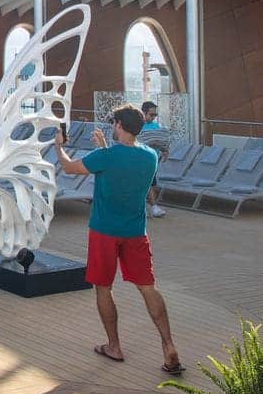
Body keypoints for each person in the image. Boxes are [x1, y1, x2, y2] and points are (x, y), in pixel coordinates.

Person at [56, 104, 184, 375]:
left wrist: (58, 146)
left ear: (118, 125)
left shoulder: (107, 157)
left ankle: (114, 346)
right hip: (136, 232)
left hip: (104, 231)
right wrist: (105, 149)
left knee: (103, 288)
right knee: (148, 288)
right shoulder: (150, 156)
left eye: (113, 123)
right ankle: (169, 344)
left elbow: (69, 168)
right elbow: (122, 161)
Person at [138, 101, 168, 218]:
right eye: (151, 114)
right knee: (148, 183)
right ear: (143, 113)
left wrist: (165, 150)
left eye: (155, 115)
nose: (153, 117)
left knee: (150, 183)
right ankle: (154, 207)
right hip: (139, 160)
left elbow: (160, 142)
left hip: (152, 160)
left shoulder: (156, 127)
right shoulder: (136, 125)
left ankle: (151, 206)